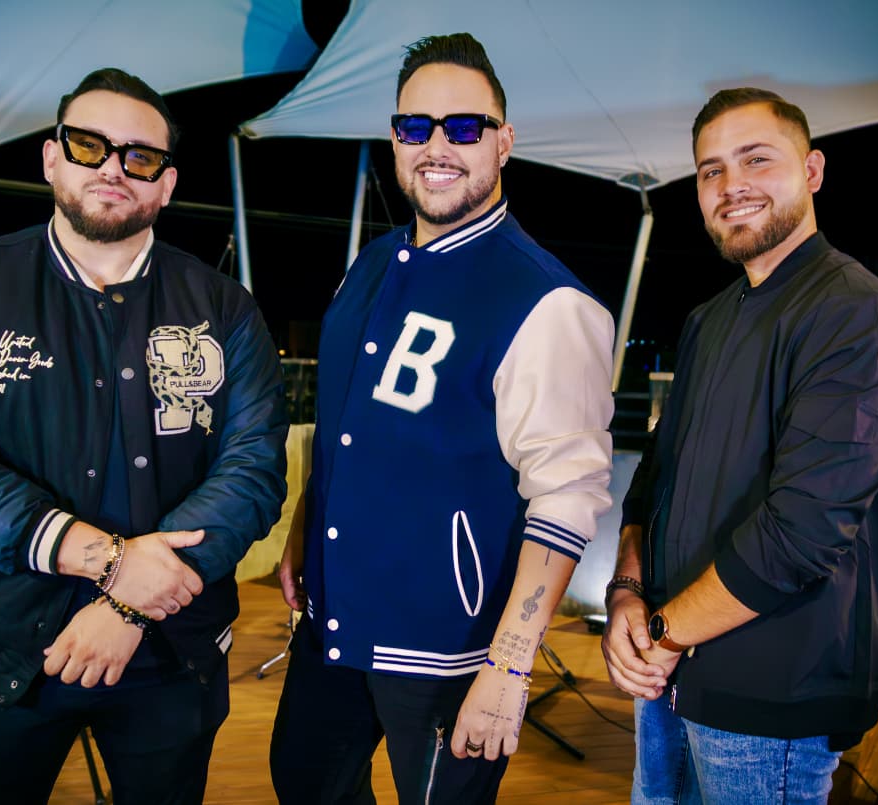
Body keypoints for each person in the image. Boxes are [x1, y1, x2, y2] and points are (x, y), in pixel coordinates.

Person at [0, 67, 289, 805]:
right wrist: (110, 563)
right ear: (51, 157)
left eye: (140, 156)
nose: (112, 168)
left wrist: (130, 606)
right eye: (89, 145)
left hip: (172, 653)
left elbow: (253, 470)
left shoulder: (226, 308)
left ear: (166, 184)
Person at [268, 32, 616, 804]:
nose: (436, 146)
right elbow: (344, 426)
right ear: (393, 137)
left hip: (448, 652)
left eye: (463, 127)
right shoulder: (370, 264)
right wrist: (301, 526)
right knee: (303, 780)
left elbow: (566, 496)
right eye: (414, 126)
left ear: (503, 142)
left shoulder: (546, 300)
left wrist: (510, 664)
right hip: (333, 623)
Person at [601, 87, 878, 804]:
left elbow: (802, 531)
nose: (731, 184)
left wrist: (662, 633)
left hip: (771, 696)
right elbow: (655, 477)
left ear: (812, 170)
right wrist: (626, 591)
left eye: (755, 159)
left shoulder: (854, 313)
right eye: (710, 169)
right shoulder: (707, 320)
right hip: (669, 674)